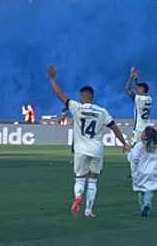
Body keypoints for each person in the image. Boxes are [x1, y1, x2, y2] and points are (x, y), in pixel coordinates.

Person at [46, 64, 130, 218]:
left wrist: (51, 77)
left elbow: (59, 93)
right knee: (93, 180)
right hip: (96, 149)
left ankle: (78, 196)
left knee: (79, 177)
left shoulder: (76, 107)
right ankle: (88, 210)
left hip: (80, 149)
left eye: (80, 96)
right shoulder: (102, 111)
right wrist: (123, 143)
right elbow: (114, 128)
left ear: (84, 97)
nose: (79, 98)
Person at [128, 126, 157, 217]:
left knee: (141, 190)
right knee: (149, 189)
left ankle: (142, 207)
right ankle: (147, 204)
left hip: (140, 171)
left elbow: (134, 159)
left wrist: (128, 153)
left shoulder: (139, 146)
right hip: (153, 171)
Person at [124, 67, 154, 145]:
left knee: (135, 149)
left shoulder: (138, 99)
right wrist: (135, 79)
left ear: (142, 90)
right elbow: (138, 90)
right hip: (147, 128)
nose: (136, 90)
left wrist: (131, 77)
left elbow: (127, 89)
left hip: (139, 129)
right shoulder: (150, 98)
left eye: (138, 89)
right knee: (145, 149)